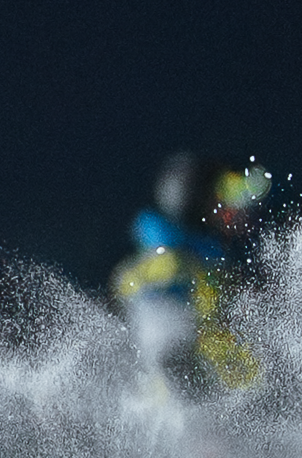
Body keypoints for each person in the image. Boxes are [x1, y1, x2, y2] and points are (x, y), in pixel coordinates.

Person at [109, 152, 273, 400]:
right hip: (165, 359)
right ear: (194, 199)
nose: (230, 214)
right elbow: (127, 285)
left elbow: (217, 317)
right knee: (179, 356)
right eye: (218, 202)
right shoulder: (164, 243)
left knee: (254, 372)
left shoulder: (211, 253)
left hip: (206, 353)